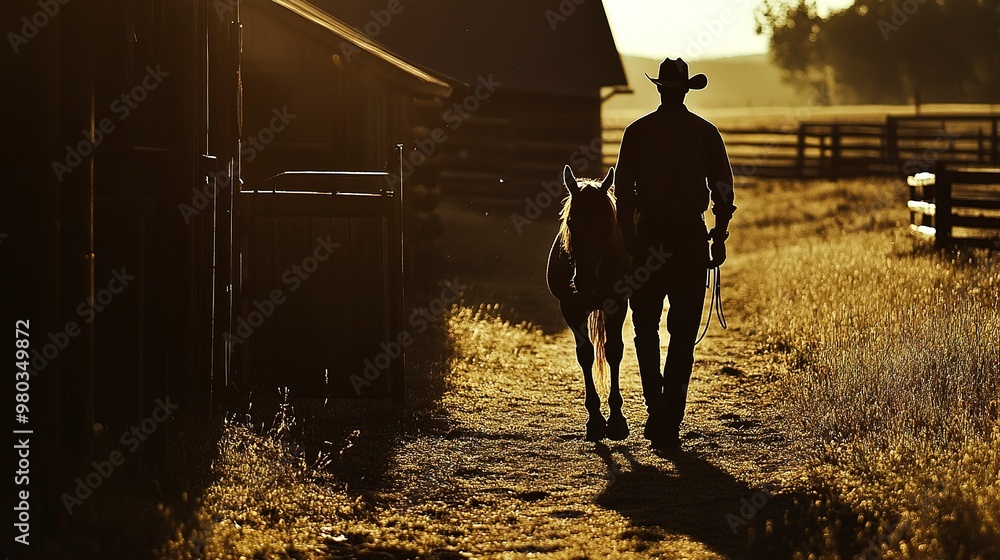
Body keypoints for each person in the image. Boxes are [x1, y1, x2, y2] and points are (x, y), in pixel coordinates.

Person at [614, 57, 736, 449]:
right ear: (685, 90)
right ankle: (670, 417)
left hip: (650, 236)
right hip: (689, 238)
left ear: (660, 89)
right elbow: (722, 187)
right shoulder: (705, 132)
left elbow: (623, 190)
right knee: (683, 333)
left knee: (645, 328)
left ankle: (656, 409)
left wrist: (630, 238)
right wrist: (718, 234)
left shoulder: (637, 132)